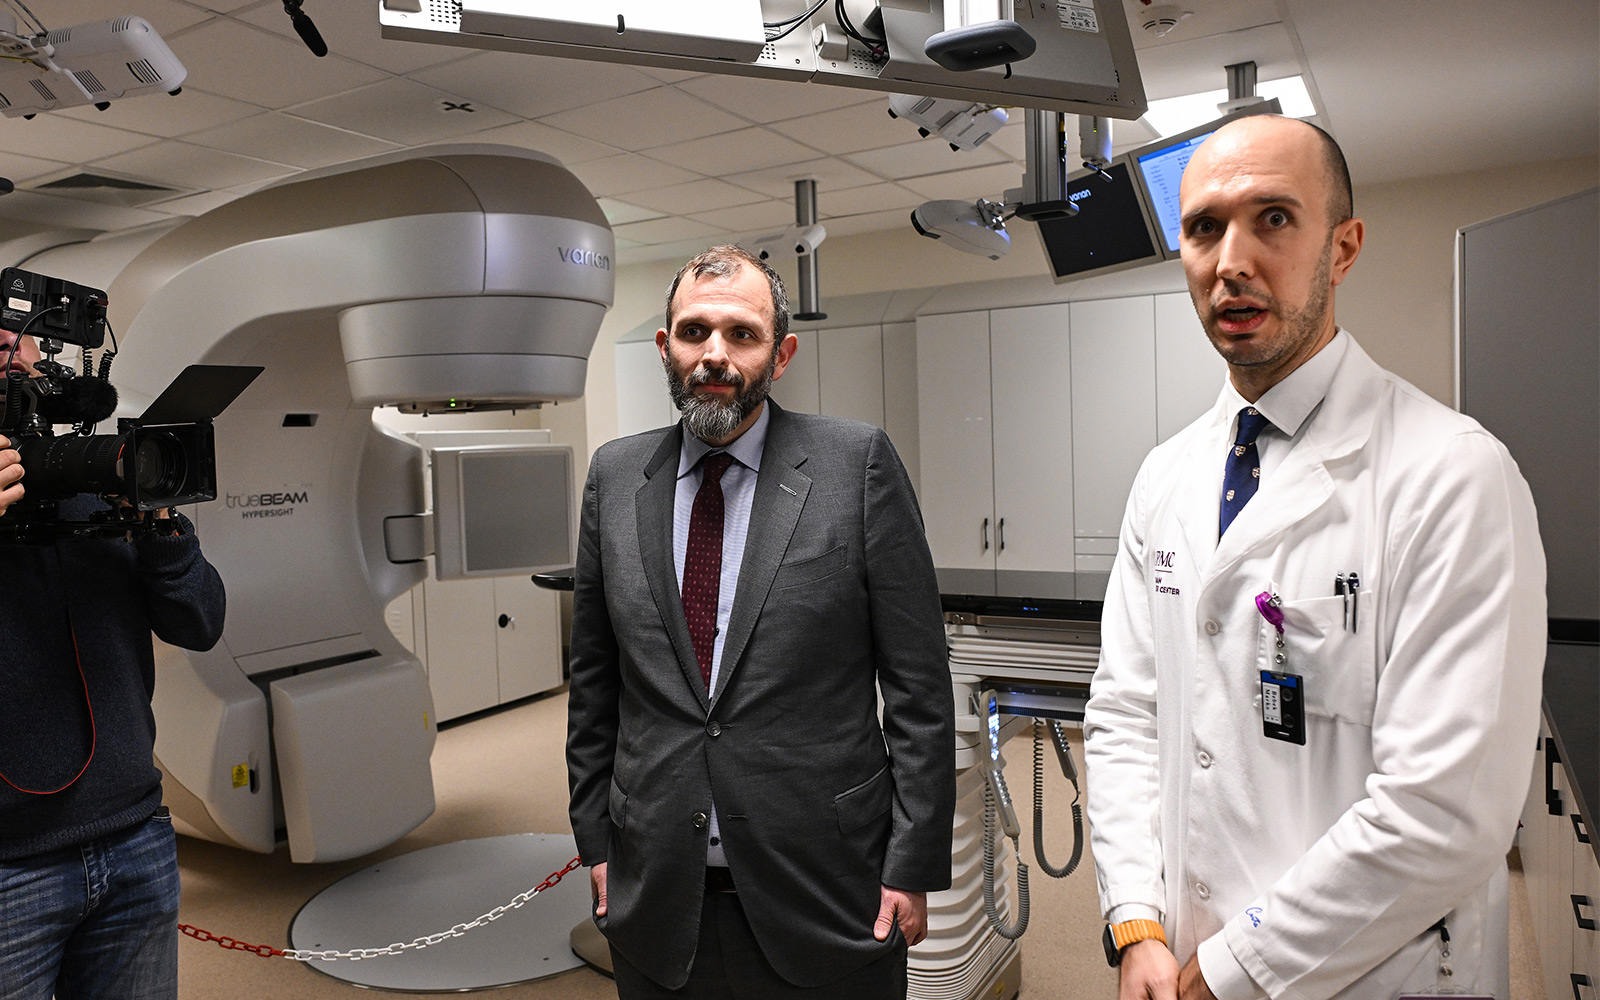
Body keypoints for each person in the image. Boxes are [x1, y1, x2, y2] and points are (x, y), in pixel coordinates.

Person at [1082, 115, 1546, 1000]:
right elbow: (1126, 714)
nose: (1232, 262)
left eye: (1274, 219)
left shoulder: (1451, 475)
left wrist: (1235, 970)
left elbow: (1445, 811)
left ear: (1343, 247)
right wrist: (1136, 920)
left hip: (1368, 974)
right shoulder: (1166, 476)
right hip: (1174, 956)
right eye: (1204, 228)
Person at [566, 245, 954, 999]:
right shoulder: (614, 476)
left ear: (781, 354)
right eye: (694, 331)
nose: (714, 353)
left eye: (741, 334)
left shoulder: (856, 464)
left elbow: (919, 688)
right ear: (665, 347)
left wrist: (911, 863)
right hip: (656, 890)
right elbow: (594, 683)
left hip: (828, 891)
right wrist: (597, 843)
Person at [0, 330, 226, 1000]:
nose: (14, 351)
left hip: (135, 836)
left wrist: (160, 525)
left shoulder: (96, 480)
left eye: (22, 339)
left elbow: (201, 623)